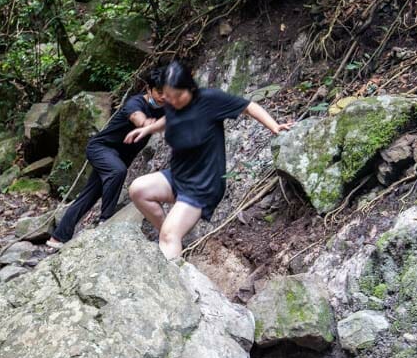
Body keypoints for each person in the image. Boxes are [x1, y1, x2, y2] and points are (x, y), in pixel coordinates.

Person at [126, 61, 293, 259]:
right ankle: (172, 238)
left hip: (202, 186)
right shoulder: (173, 103)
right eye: (169, 98)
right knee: (138, 190)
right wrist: (148, 129)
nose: (173, 102)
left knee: (169, 235)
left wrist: (274, 126)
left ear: (190, 88)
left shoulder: (210, 100)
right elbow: (170, 119)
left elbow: (249, 106)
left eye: (178, 96)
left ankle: (171, 245)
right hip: (179, 176)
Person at [46, 68, 166, 249]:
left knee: (89, 195)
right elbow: (137, 117)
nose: (164, 97)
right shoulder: (135, 103)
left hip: (119, 156)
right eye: (159, 92)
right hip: (101, 148)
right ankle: (106, 220)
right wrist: (146, 124)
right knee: (117, 171)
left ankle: (58, 237)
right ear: (149, 90)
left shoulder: (167, 106)